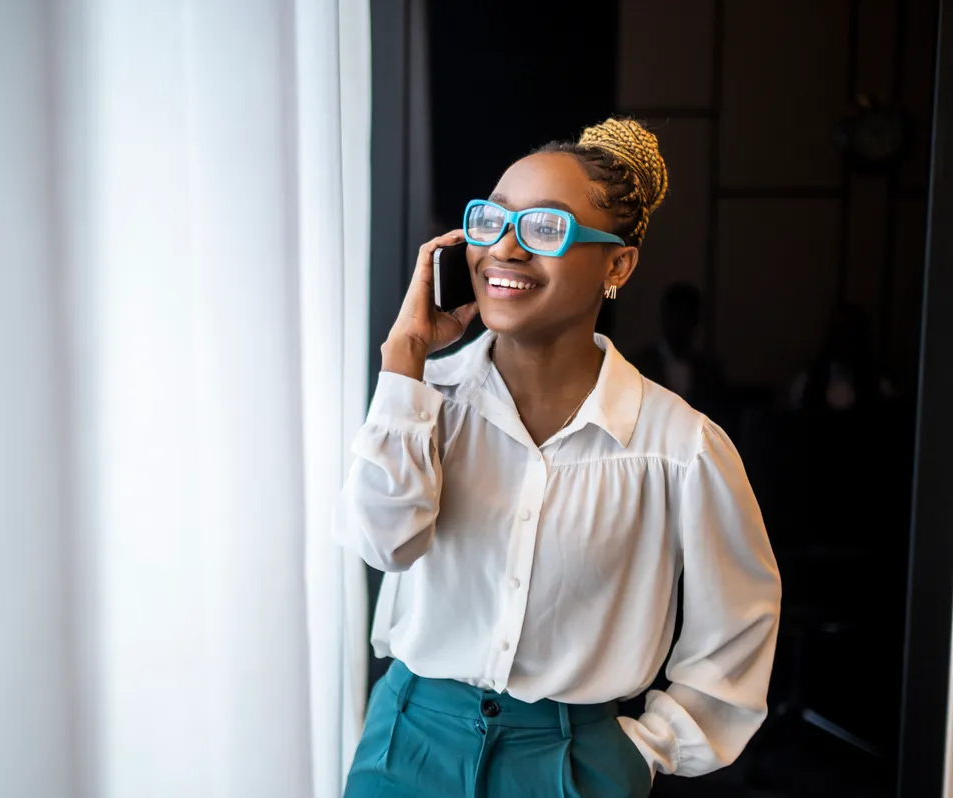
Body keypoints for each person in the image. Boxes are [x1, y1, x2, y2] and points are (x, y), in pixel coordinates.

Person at [334, 119, 781, 798]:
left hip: (572, 762)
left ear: (617, 266)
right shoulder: (421, 400)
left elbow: (739, 629)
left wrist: (641, 751)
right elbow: (381, 544)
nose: (505, 249)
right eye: (491, 222)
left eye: (545, 229)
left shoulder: (680, 449)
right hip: (407, 747)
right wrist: (404, 361)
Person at [789, 303, 894, 412]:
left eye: (850, 331)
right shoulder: (806, 383)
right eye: (837, 330)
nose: (843, 338)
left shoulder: (880, 385)